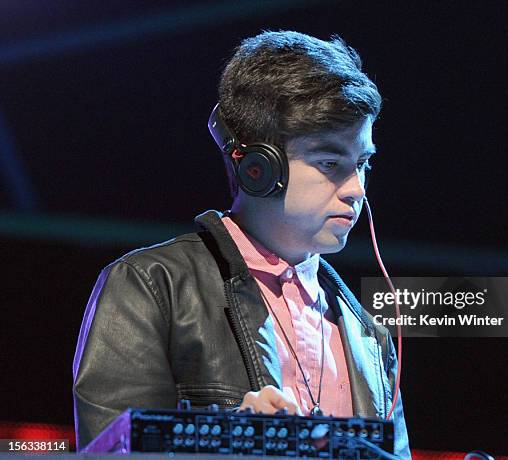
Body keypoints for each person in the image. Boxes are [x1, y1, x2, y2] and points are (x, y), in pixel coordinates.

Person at [72, 30, 410, 458]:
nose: (356, 189)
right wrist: (228, 444)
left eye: (362, 163)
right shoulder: (151, 286)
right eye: (330, 163)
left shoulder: (368, 336)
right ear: (257, 168)